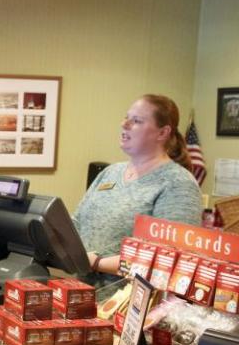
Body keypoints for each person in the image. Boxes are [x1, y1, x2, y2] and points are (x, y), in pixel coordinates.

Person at [75, 94, 202, 277]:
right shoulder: (110, 172)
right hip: (80, 294)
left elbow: (168, 260)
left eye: (136, 120)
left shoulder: (178, 184)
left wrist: (98, 263)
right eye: (126, 118)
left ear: (162, 133)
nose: (124, 124)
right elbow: (77, 222)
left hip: (128, 301)